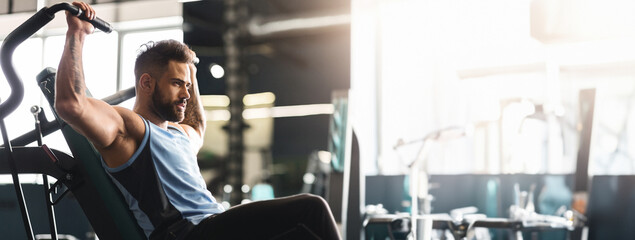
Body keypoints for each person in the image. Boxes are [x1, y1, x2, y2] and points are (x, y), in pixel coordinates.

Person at [55, 2, 341, 240]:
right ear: (146, 83)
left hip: (213, 225)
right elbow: (71, 104)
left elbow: (197, 126)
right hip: (187, 234)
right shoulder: (129, 128)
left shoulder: (180, 135)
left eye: (188, 87)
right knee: (311, 210)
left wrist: (189, 73)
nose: (186, 94)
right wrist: (77, 33)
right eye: (177, 84)